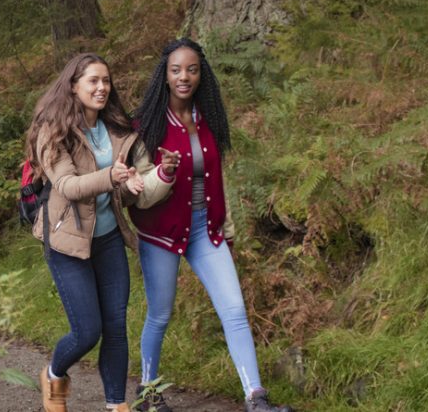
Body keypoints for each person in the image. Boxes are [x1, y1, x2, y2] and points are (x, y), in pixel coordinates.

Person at [128, 38, 292, 412]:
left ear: (202, 74)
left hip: (206, 229)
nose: (183, 76)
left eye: (191, 69)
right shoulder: (146, 126)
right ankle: (148, 393)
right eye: (175, 70)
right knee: (160, 314)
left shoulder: (209, 120)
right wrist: (163, 172)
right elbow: (138, 195)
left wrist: (227, 229)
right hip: (161, 232)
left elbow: (217, 182)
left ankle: (256, 398)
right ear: (164, 76)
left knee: (234, 310)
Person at [26, 53, 149, 412]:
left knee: (116, 325)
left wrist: (130, 185)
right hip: (67, 244)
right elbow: (66, 185)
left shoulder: (114, 129)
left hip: (108, 239)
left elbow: (115, 193)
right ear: (73, 85)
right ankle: (53, 373)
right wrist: (112, 177)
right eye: (93, 81)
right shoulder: (53, 129)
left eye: (106, 81)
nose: (101, 87)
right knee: (86, 332)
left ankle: (116, 405)